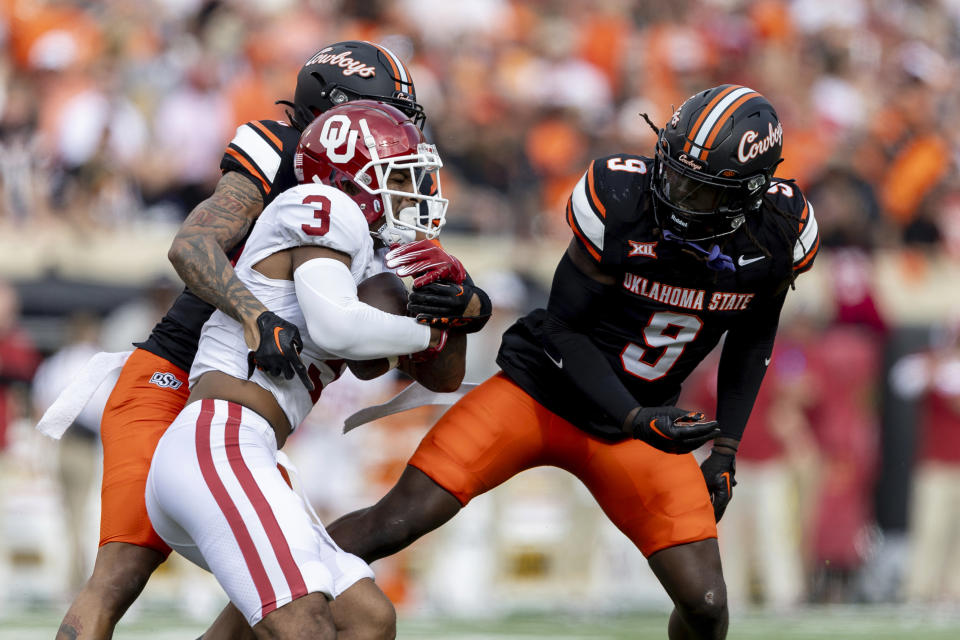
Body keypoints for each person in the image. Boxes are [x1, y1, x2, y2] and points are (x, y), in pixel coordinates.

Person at [325, 85, 820, 639]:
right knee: (394, 521)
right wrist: (635, 417)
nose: (674, 192)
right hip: (539, 394)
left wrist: (725, 449)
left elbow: (752, 340)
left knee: (706, 605)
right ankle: (264, 605)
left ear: (748, 194)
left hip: (640, 428)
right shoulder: (624, 195)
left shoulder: (781, 231)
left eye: (697, 190)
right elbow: (562, 326)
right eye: (673, 171)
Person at [53, 41, 430, 640]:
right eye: (381, 112)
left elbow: (365, 355)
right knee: (120, 573)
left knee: (294, 593)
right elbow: (191, 245)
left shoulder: (370, 196)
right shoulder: (277, 149)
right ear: (334, 113)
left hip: (242, 415)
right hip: (172, 376)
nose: (393, 132)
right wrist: (256, 316)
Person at [145, 99, 463, 639]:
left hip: (255, 455)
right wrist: (430, 331)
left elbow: (436, 376)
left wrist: (456, 304)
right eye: (399, 175)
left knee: (367, 618)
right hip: (219, 442)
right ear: (352, 174)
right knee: (303, 626)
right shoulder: (320, 204)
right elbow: (338, 327)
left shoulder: (364, 259)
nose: (417, 190)